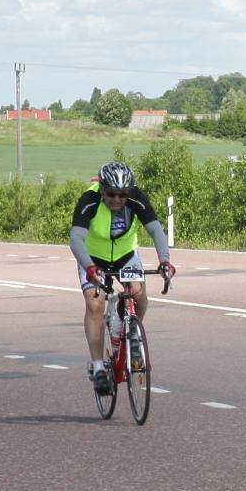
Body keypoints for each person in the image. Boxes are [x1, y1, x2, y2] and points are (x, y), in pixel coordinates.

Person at [70, 163, 174, 395]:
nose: (117, 199)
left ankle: (133, 334)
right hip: (93, 258)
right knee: (95, 303)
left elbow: (156, 230)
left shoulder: (137, 198)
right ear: (102, 189)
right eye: (111, 194)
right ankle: (98, 368)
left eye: (123, 194)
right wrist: (89, 267)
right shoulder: (89, 200)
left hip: (126, 254)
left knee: (138, 292)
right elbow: (76, 239)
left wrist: (165, 261)